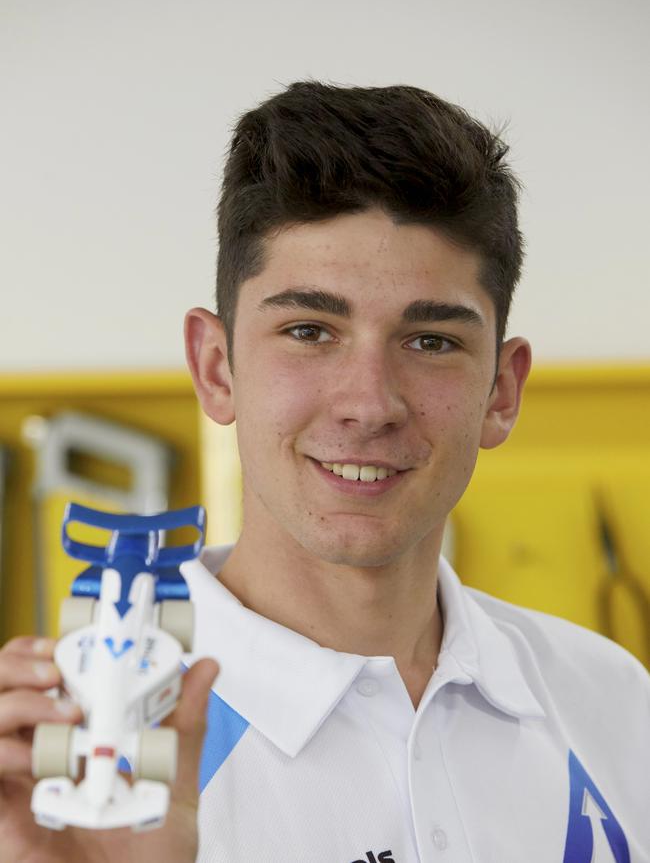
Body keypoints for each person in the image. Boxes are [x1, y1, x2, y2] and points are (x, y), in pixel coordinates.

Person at [1, 82, 648, 862]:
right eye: (309, 330)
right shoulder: (69, 750)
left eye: (432, 341)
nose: (368, 403)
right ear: (216, 366)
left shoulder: (612, 699)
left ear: (502, 390)